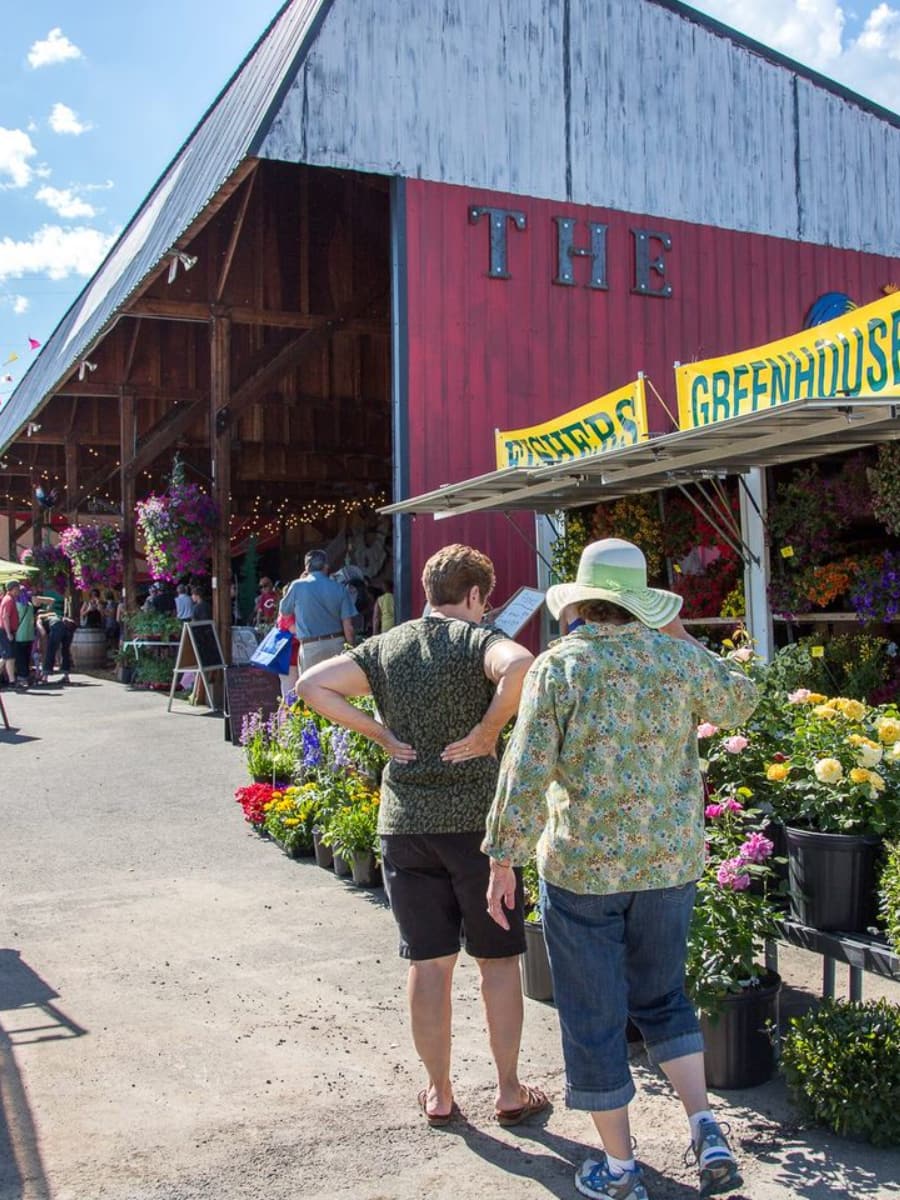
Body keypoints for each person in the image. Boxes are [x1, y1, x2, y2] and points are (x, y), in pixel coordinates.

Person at [483, 539, 759, 1200]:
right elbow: (740, 701)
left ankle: (621, 1168)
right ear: (638, 601)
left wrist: (503, 857)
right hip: (669, 863)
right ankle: (704, 1125)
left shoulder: (562, 666)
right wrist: (680, 634)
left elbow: (527, 770)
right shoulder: (673, 658)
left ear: (582, 600)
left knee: (593, 1014)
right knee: (663, 996)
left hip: (583, 868)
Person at [298, 544, 547, 1127]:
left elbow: (312, 684)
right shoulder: (478, 642)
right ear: (477, 596)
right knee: (498, 962)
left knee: (429, 965)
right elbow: (521, 664)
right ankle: (509, 1090)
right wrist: (489, 732)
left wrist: (379, 734)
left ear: (430, 593)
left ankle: (438, 1093)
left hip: (406, 826)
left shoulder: (388, 647)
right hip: (478, 831)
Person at [279, 549, 356, 672]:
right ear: (326, 566)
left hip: (310, 647)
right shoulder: (340, 589)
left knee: (310, 688)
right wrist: (352, 648)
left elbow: (284, 613)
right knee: (337, 688)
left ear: (306, 568)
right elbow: (348, 626)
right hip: (337, 645)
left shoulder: (297, 586)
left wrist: (298, 631)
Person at [0, 579, 23, 689]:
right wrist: (9, 633)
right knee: (8, 657)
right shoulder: (8, 600)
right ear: (13, 588)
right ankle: (12, 681)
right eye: (18, 588)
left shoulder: (10, 599)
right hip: (5, 631)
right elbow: (5, 617)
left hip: (8, 631)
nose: (19, 590)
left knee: (8, 657)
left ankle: (11, 680)